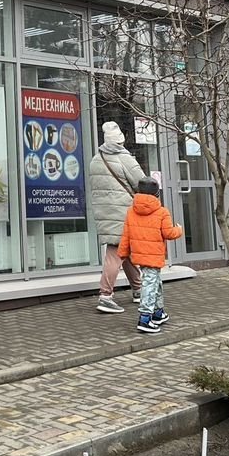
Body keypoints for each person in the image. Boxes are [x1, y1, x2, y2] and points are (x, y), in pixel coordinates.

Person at [88, 121, 147, 313]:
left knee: (126, 250)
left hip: (105, 213)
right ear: (121, 140)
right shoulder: (124, 158)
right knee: (115, 253)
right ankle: (105, 296)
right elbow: (142, 183)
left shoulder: (96, 160)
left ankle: (138, 289)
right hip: (123, 212)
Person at [119, 178, 184, 334]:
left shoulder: (131, 211)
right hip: (154, 255)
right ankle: (145, 319)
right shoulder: (162, 212)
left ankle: (158, 313)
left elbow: (126, 234)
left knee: (155, 282)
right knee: (150, 284)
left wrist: (123, 252)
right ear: (156, 194)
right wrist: (179, 230)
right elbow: (168, 233)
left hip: (139, 255)